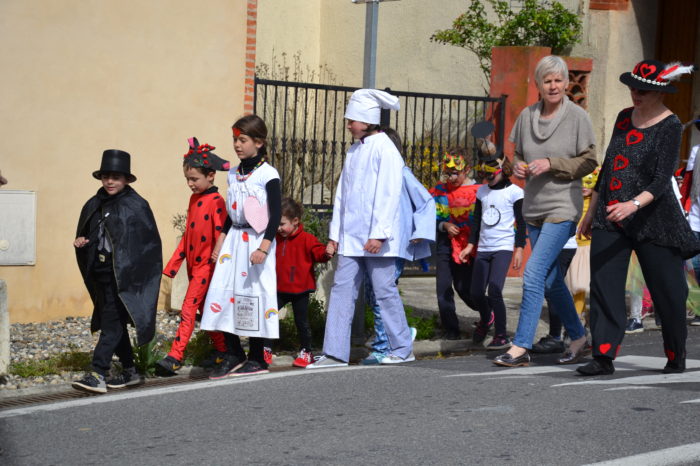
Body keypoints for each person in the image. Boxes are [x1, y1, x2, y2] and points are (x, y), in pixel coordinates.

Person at [577, 59, 700, 376]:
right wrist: (592, 211)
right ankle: (603, 356)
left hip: (654, 219)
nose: (636, 93)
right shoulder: (622, 118)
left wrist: (633, 204)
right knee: (603, 285)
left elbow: (661, 180)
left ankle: (675, 352)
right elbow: (610, 166)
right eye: (633, 87)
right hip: (611, 215)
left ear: (660, 92)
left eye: (644, 89)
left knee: (670, 293)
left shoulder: (670, 125)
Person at [493, 55, 597, 367]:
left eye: (557, 80)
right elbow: (518, 158)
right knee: (551, 281)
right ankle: (579, 337)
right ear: (539, 85)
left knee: (534, 273)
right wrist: (520, 168)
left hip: (563, 206)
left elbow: (590, 161)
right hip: (534, 205)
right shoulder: (526, 116)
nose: (552, 86)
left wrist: (552, 164)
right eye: (546, 81)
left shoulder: (578, 118)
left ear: (566, 84)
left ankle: (521, 346)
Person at [307, 88, 414, 368]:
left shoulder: (386, 150)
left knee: (384, 291)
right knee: (342, 289)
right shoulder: (354, 151)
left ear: (366, 120)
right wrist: (335, 235)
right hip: (351, 239)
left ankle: (402, 347)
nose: (348, 124)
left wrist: (378, 233)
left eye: (351, 119)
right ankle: (334, 353)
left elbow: (389, 194)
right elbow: (342, 196)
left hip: (376, 240)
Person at [72, 150, 162, 393]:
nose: (110, 181)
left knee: (111, 323)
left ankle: (98, 372)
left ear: (126, 180)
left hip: (122, 278)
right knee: (115, 322)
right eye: (106, 177)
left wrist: (133, 276)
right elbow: (92, 233)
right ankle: (130, 371)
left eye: (116, 177)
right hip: (100, 272)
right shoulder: (94, 204)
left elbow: (147, 246)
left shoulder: (136, 206)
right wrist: (82, 241)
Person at [200, 115, 282, 378]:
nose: (237, 144)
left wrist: (265, 247)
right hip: (234, 240)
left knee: (254, 296)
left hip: (257, 242)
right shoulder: (234, 174)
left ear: (258, 142)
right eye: (235, 139)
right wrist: (220, 241)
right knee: (223, 293)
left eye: (242, 140)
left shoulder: (268, 174)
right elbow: (229, 212)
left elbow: (275, 213)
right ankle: (233, 352)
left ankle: (258, 357)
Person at [361, 127, 435, 365]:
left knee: (383, 295)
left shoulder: (402, 173)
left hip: (394, 246)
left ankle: (383, 346)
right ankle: (401, 332)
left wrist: (419, 232)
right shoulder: (373, 175)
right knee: (374, 296)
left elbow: (426, 201)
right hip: (374, 246)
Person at [156, 138, 230, 375]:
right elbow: (188, 236)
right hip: (192, 266)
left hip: (207, 268)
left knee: (188, 308)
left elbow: (222, 235)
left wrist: (220, 265)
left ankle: (175, 356)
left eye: (194, 179)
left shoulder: (217, 202)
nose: (190, 184)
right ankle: (224, 350)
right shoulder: (194, 199)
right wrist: (173, 266)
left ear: (211, 176)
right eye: (187, 179)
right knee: (205, 311)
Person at [459, 147, 525, 350]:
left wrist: (520, 248)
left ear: (502, 170)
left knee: (495, 289)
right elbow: (477, 219)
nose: (487, 179)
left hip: (503, 247)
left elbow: (521, 223)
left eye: (490, 175)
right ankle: (486, 319)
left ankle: (502, 334)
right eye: (484, 175)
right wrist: (470, 245)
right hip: (484, 248)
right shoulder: (482, 191)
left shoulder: (515, 192)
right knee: (476, 292)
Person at [430, 149, 481, 340]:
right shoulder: (439, 191)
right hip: (446, 244)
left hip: (469, 246)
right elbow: (428, 217)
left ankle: (487, 313)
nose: (451, 177)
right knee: (443, 287)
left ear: (466, 170)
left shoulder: (479, 191)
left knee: (464, 288)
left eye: (455, 173)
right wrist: (444, 225)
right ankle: (451, 329)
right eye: (448, 173)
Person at [274, 197, 332, 367]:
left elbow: (317, 252)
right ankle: (266, 348)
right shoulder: (275, 238)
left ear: (295, 221)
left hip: (300, 289)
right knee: (267, 316)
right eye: (276, 224)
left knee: (302, 322)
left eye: (282, 224)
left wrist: (327, 253)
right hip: (279, 287)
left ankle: (306, 351)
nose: (279, 228)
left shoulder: (307, 239)